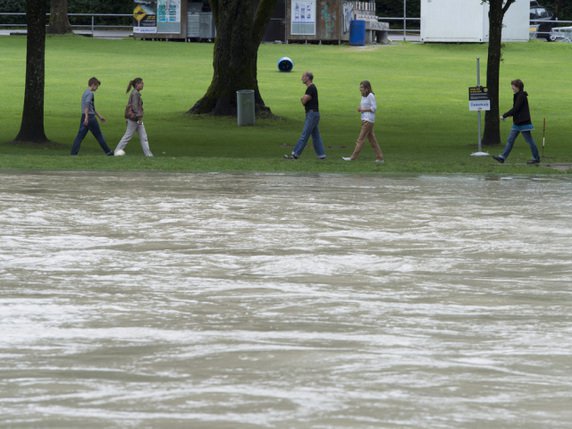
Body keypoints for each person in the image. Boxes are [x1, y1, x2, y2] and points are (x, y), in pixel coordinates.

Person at [493, 79, 540, 165]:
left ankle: (536, 158)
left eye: (513, 86)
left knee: (529, 141)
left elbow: (516, 108)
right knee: (510, 140)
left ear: (518, 87)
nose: (512, 88)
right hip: (517, 123)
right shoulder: (518, 95)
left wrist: (504, 115)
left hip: (523, 123)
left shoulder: (521, 96)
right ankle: (502, 158)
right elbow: (517, 109)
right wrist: (510, 115)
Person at [284, 71, 326, 160]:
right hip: (313, 114)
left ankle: (295, 154)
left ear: (308, 78)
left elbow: (304, 101)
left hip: (312, 114)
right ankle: (321, 155)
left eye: (303, 76)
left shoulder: (311, 88)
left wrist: (302, 99)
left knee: (305, 134)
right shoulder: (311, 88)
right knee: (315, 136)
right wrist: (303, 98)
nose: (301, 78)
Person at [342, 80, 384, 163]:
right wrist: (360, 108)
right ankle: (380, 157)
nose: (360, 89)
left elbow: (374, 108)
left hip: (368, 121)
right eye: (360, 87)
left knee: (360, 140)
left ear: (367, 88)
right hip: (365, 120)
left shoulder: (371, 96)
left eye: (361, 87)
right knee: (372, 140)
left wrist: (363, 109)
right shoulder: (363, 96)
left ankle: (353, 158)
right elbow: (363, 107)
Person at [70, 77, 113, 156]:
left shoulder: (85, 93)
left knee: (80, 136)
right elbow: (87, 105)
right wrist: (87, 117)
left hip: (84, 116)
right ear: (93, 85)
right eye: (97, 86)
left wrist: (99, 116)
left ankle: (73, 153)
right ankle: (108, 152)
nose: (97, 88)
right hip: (90, 118)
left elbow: (91, 107)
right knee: (99, 135)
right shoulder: (90, 93)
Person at [114, 77, 154, 157]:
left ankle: (148, 155)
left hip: (136, 119)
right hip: (134, 119)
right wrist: (139, 117)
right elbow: (135, 107)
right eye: (141, 83)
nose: (143, 85)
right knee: (128, 136)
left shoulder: (135, 93)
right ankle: (117, 151)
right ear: (137, 84)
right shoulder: (135, 93)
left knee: (143, 136)